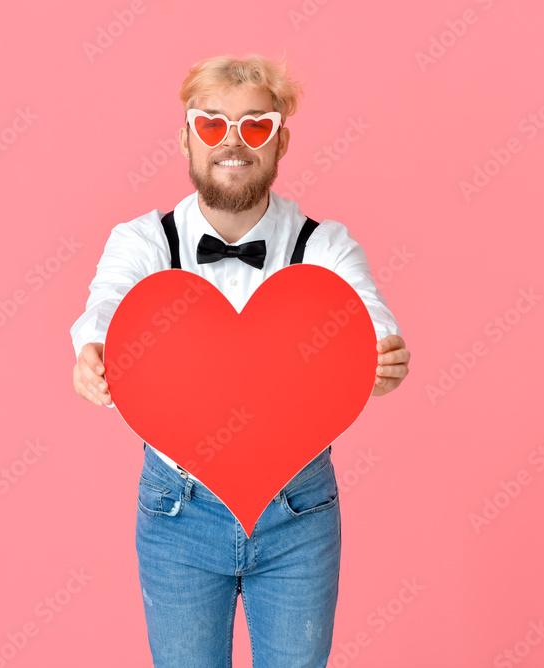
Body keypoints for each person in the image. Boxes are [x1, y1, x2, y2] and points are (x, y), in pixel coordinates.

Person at [70, 53, 409, 668]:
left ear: (281, 140)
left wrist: (382, 354)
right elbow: (108, 306)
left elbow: (367, 316)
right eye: (211, 124)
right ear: (185, 139)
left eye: (255, 125)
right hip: (177, 512)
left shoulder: (324, 245)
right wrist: (93, 351)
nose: (233, 141)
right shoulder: (144, 241)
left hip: (297, 511)